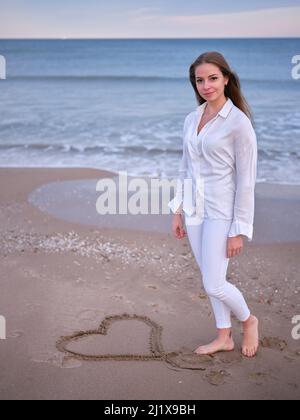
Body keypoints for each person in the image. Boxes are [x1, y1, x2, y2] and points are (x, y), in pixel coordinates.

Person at [168, 51, 259, 358]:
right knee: (209, 278)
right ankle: (224, 336)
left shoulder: (238, 123)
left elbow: (246, 180)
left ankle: (249, 321)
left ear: (226, 79)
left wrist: (239, 230)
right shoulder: (192, 118)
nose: (206, 86)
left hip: (222, 211)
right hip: (194, 210)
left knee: (214, 283)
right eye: (199, 80)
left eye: (212, 78)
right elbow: (184, 167)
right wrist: (178, 210)